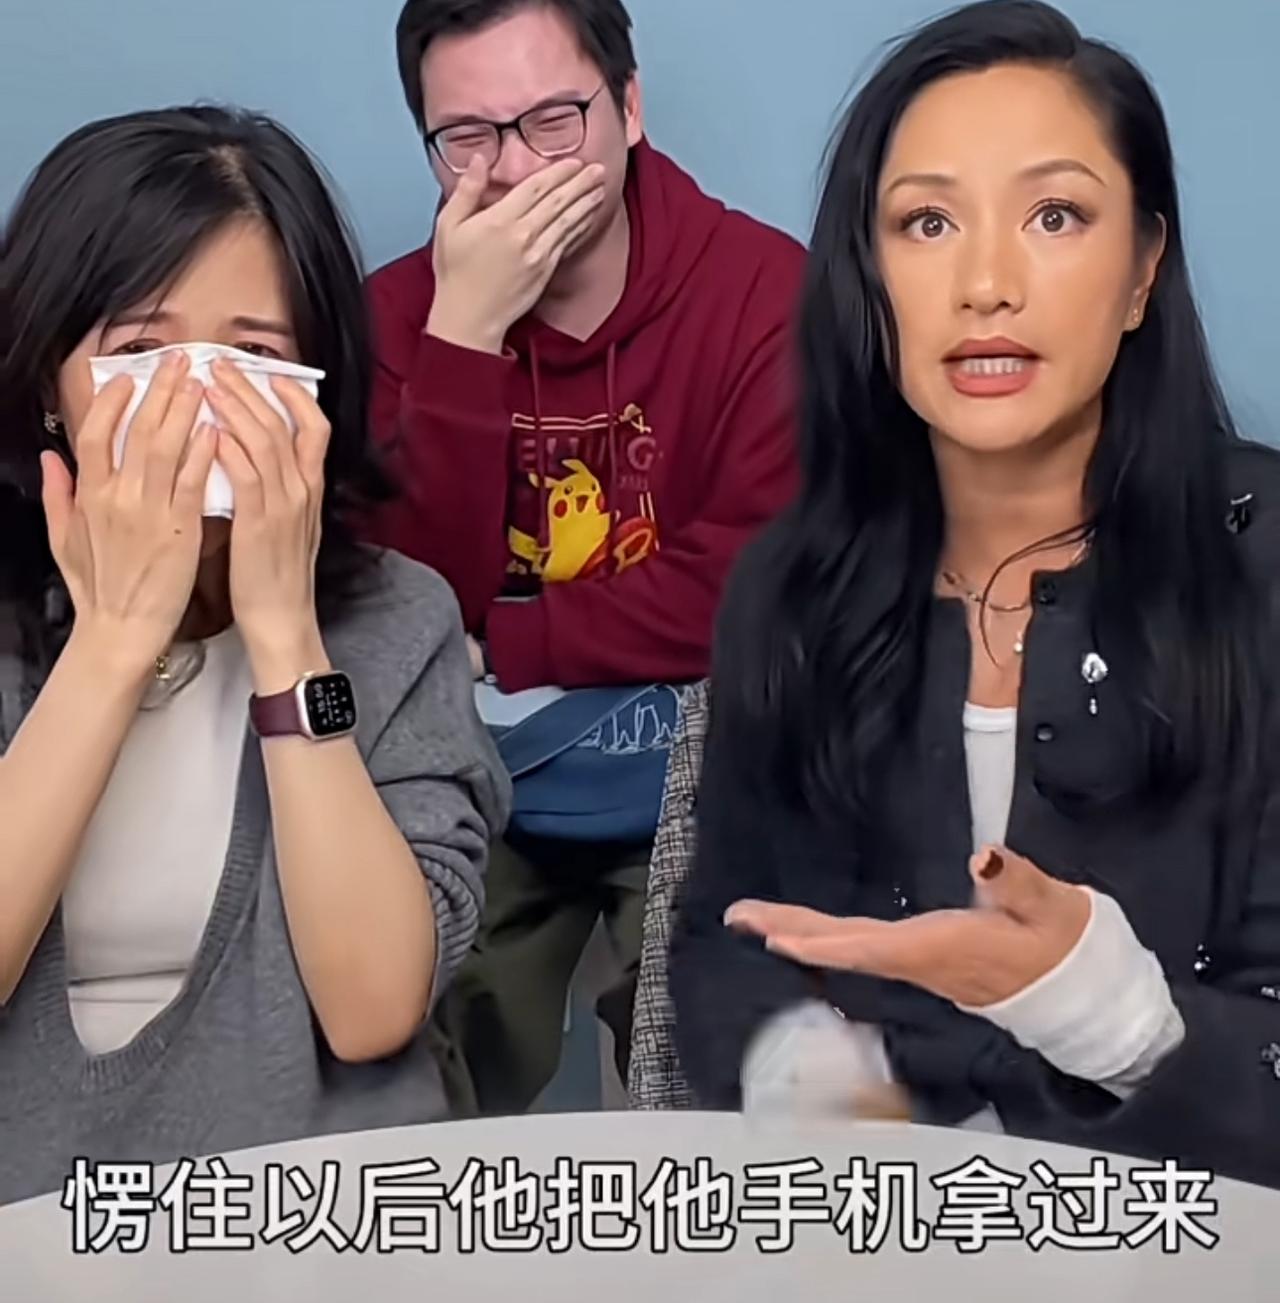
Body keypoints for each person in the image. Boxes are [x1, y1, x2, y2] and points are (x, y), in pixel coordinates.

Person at [670, 0, 1280, 1189]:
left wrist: (1110, 1013)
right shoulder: (790, 588)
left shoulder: (1261, 566)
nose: (985, 283)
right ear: (869, 275)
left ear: (1141, 268)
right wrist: (798, 1068)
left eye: (1054, 216)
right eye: (926, 222)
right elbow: (719, 944)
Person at [0, 106, 509, 1206]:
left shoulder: (398, 620)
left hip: (318, 1224)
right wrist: (112, 644)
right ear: (49, 384)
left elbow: (373, 1009)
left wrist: (285, 639)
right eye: (140, 354)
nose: (197, 403)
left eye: (254, 358)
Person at [367, 0, 805, 1113]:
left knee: (710, 1042)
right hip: (470, 769)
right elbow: (405, 606)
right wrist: (464, 335)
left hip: (694, 757)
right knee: (409, 1033)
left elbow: (752, 581)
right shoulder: (393, 317)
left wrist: (506, 641)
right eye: (466, 138)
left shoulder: (762, 291)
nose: (514, 170)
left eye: (553, 121)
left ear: (630, 108)